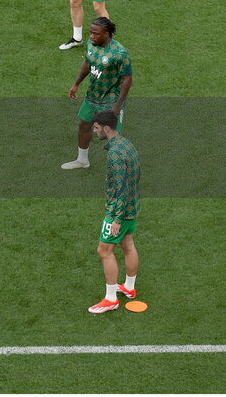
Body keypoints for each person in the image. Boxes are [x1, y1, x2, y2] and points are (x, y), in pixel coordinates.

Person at [87, 110, 140, 314]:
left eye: (96, 128)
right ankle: (129, 287)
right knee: (128, 244)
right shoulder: (126, 144)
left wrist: (116, 218)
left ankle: (111, 300)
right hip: (132, 206)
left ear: (106, 128)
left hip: (119, 209)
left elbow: (121, 188)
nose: (94, 131)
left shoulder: (115, 154)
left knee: (104, 251)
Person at [63, 17, 132, 170]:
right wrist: (76, 84)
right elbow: (87, 64)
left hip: (111, 100)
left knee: (112, 135)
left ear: (107, 34)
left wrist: (117, 105)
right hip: (92, 96)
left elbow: (127, 79)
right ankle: (82, 161)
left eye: (96, 34)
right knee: (84, 124)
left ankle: (121, 170)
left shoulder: (119, 53)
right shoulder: (91, 44)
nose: (92, 36)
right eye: (90, 33)